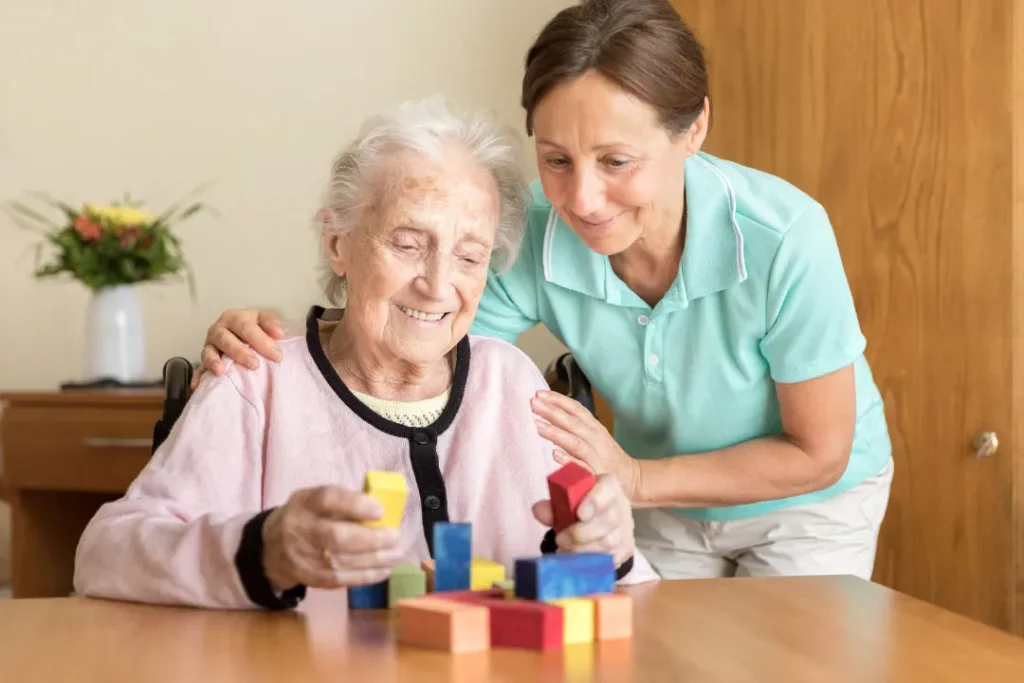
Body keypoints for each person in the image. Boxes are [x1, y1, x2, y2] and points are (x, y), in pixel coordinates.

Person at [196, 0, 893, 581]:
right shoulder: (531, 229)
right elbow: (423, 345)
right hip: (656, 500)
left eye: (616, 161)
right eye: (556, 159)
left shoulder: (783, 236)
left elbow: (818, 451)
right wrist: (288, 340)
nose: (583, 199)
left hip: (808, 500)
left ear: (694, 131)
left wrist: (637, 481)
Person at [73, 97, 656, 611]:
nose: (436, 284)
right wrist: (265, 550)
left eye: (469, 256)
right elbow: (105, 553)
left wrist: (611, 547)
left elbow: (624, 586)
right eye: (407, 244)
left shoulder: (510, 382)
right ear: (338, 243)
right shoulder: (258, 378)